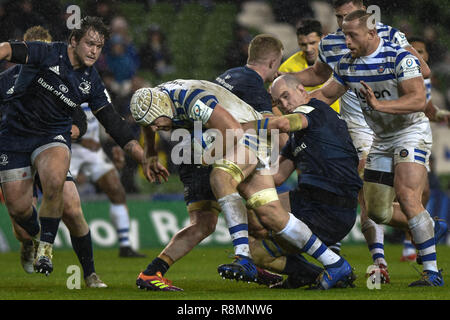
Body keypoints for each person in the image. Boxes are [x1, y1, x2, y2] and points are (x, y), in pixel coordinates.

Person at [130, 79, 355, 291]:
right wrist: (150, 153)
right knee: (247, 220)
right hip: (218, 139)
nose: (157, 129)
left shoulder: (191, 99)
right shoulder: (155, 98)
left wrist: (207, 159)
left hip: (248, 136)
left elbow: (236, 130)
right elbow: (148, 123)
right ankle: (323, 268)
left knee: (221, 177)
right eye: (278, 101)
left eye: (157, 124)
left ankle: (243, 256)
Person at [289, 0, 433, 283]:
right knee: (375, 209)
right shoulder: (341, 56)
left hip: (407, 129)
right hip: (371, 132)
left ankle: (425, 270)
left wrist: (382, 100)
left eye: (351, 31)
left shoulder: (394, 47)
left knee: (405, 194)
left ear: (369, 30)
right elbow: (323, 88)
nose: (346, 38)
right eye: (342, 26)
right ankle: (424, 227)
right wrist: (290, 96)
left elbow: (420, 88)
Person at [0, 16, 149, 276]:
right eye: (89, 44)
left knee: (68, 200)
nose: (93, 50)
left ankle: (82, 269)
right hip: (14, 141)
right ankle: (32, 239)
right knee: (19, 210)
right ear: (73, 41)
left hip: (51, 138)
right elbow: (6, 49)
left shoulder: (89, 80)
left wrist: (141, 155)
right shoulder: (17, 74)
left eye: (98, 46)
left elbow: (104, 119)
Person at [138, 34, 287, 292]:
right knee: (260, 221)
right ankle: (257, 262)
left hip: (201, 149)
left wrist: (153, 153)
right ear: (274, 62)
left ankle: (153, 273)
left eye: (157, 122)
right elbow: (259, 128)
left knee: (207, 223)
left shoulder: (224, 78)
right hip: (210, 149)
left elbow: (152, 121)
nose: (156, 127)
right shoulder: (250, 84)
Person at [246, 74, 362, 289]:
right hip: (310, 200)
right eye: (278, 102)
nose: (284, 104)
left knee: (260, 231)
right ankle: (312, 274)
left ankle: (335, 265)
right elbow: (278, 176)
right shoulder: (298, 136)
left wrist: (233, 126)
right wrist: (237, 176)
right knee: (254, 233)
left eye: (286, 96)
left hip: (332, 205)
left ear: (302, 89)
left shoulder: (314, 111)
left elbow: (282, 123)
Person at [70, 103, 145, 258]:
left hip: (94, 151)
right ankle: (43, 243)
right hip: (67, 148)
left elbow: (110, 119)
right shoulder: (63, 86)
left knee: (117, 191)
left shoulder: (96, 88)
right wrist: (80, 140)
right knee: (57, 197)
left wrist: (118, 145)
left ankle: (125, 246)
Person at [399, 36, 450, 262]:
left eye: (421, 51)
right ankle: (418, 240)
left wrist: (439, 114)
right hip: (396, 140)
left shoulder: (425, 82)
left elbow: (426, 107)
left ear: (427, 55)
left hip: (420, 141)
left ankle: (415, 243)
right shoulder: (401, 77)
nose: (418, 55)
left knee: (423, 192)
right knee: (404, 196)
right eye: (414, 51)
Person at [279, 19, 340, 114]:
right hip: (305, 122)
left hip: (337, 118)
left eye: (312, 43)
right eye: (303, 44)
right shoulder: (287, 68)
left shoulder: (335, 60)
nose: (308, 49)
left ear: (323, 39)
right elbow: (275, 103)